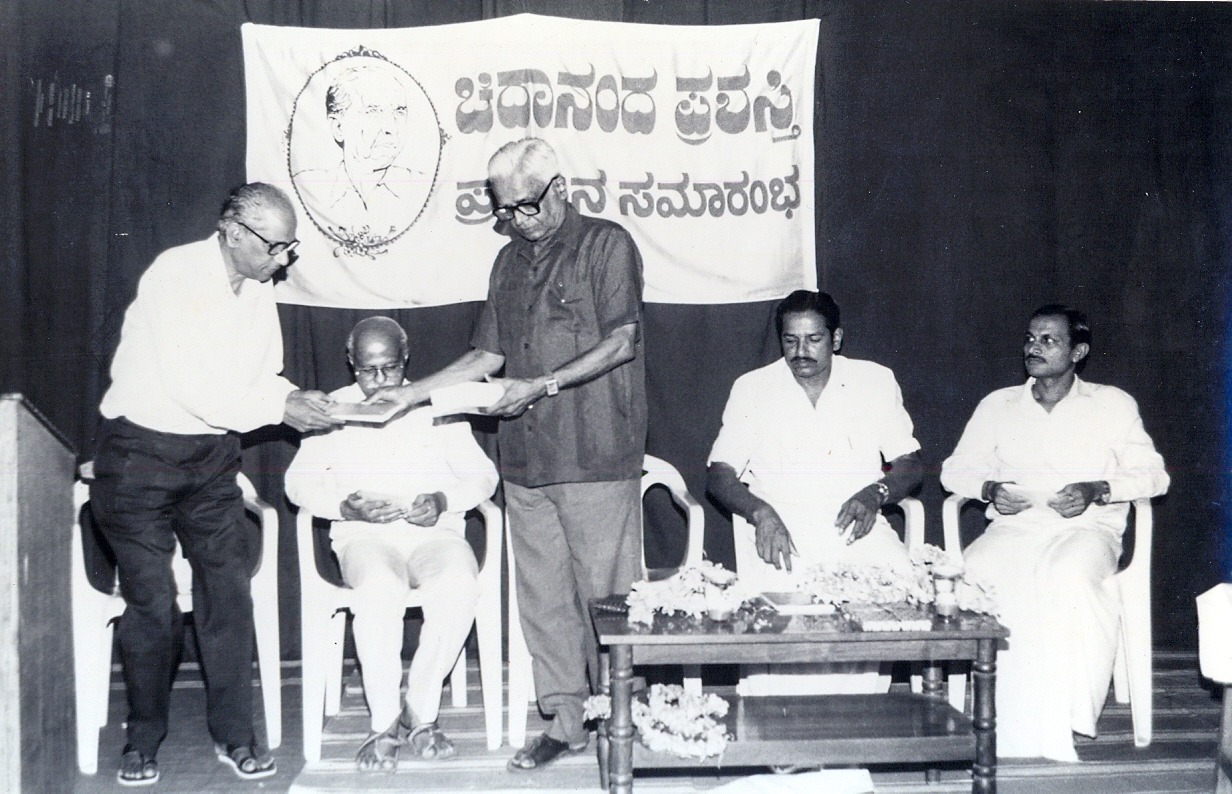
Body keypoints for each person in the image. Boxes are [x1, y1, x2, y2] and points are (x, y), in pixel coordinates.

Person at [366, 137, 646, 770]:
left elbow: (622, 342)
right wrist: (410, 393)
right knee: (544, 601)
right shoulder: (506, 262)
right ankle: (566, 724)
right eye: (505, 210)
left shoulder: (606, 245)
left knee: (609, 601)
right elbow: (487, 357)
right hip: (524, 460)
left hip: (594, 453)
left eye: (527, 206)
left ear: (559, 188)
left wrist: (542, 385)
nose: (518, 220)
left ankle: (623, 722)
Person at [89, 183, 342, 786]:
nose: (283, 259)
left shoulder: (258, 291)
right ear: (231, 231)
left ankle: (236, 735)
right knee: (153, 604)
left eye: (290, 247)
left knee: (228, 594)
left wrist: (299, 397)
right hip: (139, 460)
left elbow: (262, 376)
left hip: (211, 462)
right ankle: (141, 739)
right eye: (274, 246)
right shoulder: (174, 275)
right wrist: (282, 408)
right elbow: (194, 389)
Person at [940, 305, 1170, 761]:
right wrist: (989, 489)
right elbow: (953, 470)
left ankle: (1068, 714)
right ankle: (999, 714)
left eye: (1048, 340)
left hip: (1087, 529)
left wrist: (1097, 489)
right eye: (1030, 338)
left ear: (1078, 352)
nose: (1034, 347)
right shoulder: (998, 405)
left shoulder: (1112, 403)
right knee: (980, 571)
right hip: (1014, 528)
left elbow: (1154, 476)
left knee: (1067, 575)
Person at [284, 316, 498, 770]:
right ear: (350, 362)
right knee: (380, 589)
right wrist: (345, 508)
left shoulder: (435, 403)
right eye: (368, 370)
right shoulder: (332, 410)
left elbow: (484, 476)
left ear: (406, 359)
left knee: (460, 585)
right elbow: (297, 485)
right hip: (365, 536)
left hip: (434, 534)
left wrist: (442, 501)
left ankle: (420, 709)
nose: (380, 380)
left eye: (390, 368)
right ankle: (383, 722)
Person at [707, 289, 923, 694]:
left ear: (836, 338)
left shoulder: (874, 381)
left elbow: (909, 464)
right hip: (783, 528)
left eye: (813, 339)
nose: (800, 352)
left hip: (856, 523)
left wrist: (874, 494)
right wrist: (761, 513)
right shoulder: (753, 388)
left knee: (898, 585)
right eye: (790, 340)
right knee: (787, 613)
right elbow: (719, 475)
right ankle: (785, 723)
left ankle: (861, 715)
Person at [292, 62, 430, 243]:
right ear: (338, 127)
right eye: (373, 112)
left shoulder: (422, 188)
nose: (391, 128)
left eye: (399, 112)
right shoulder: (307, 187)